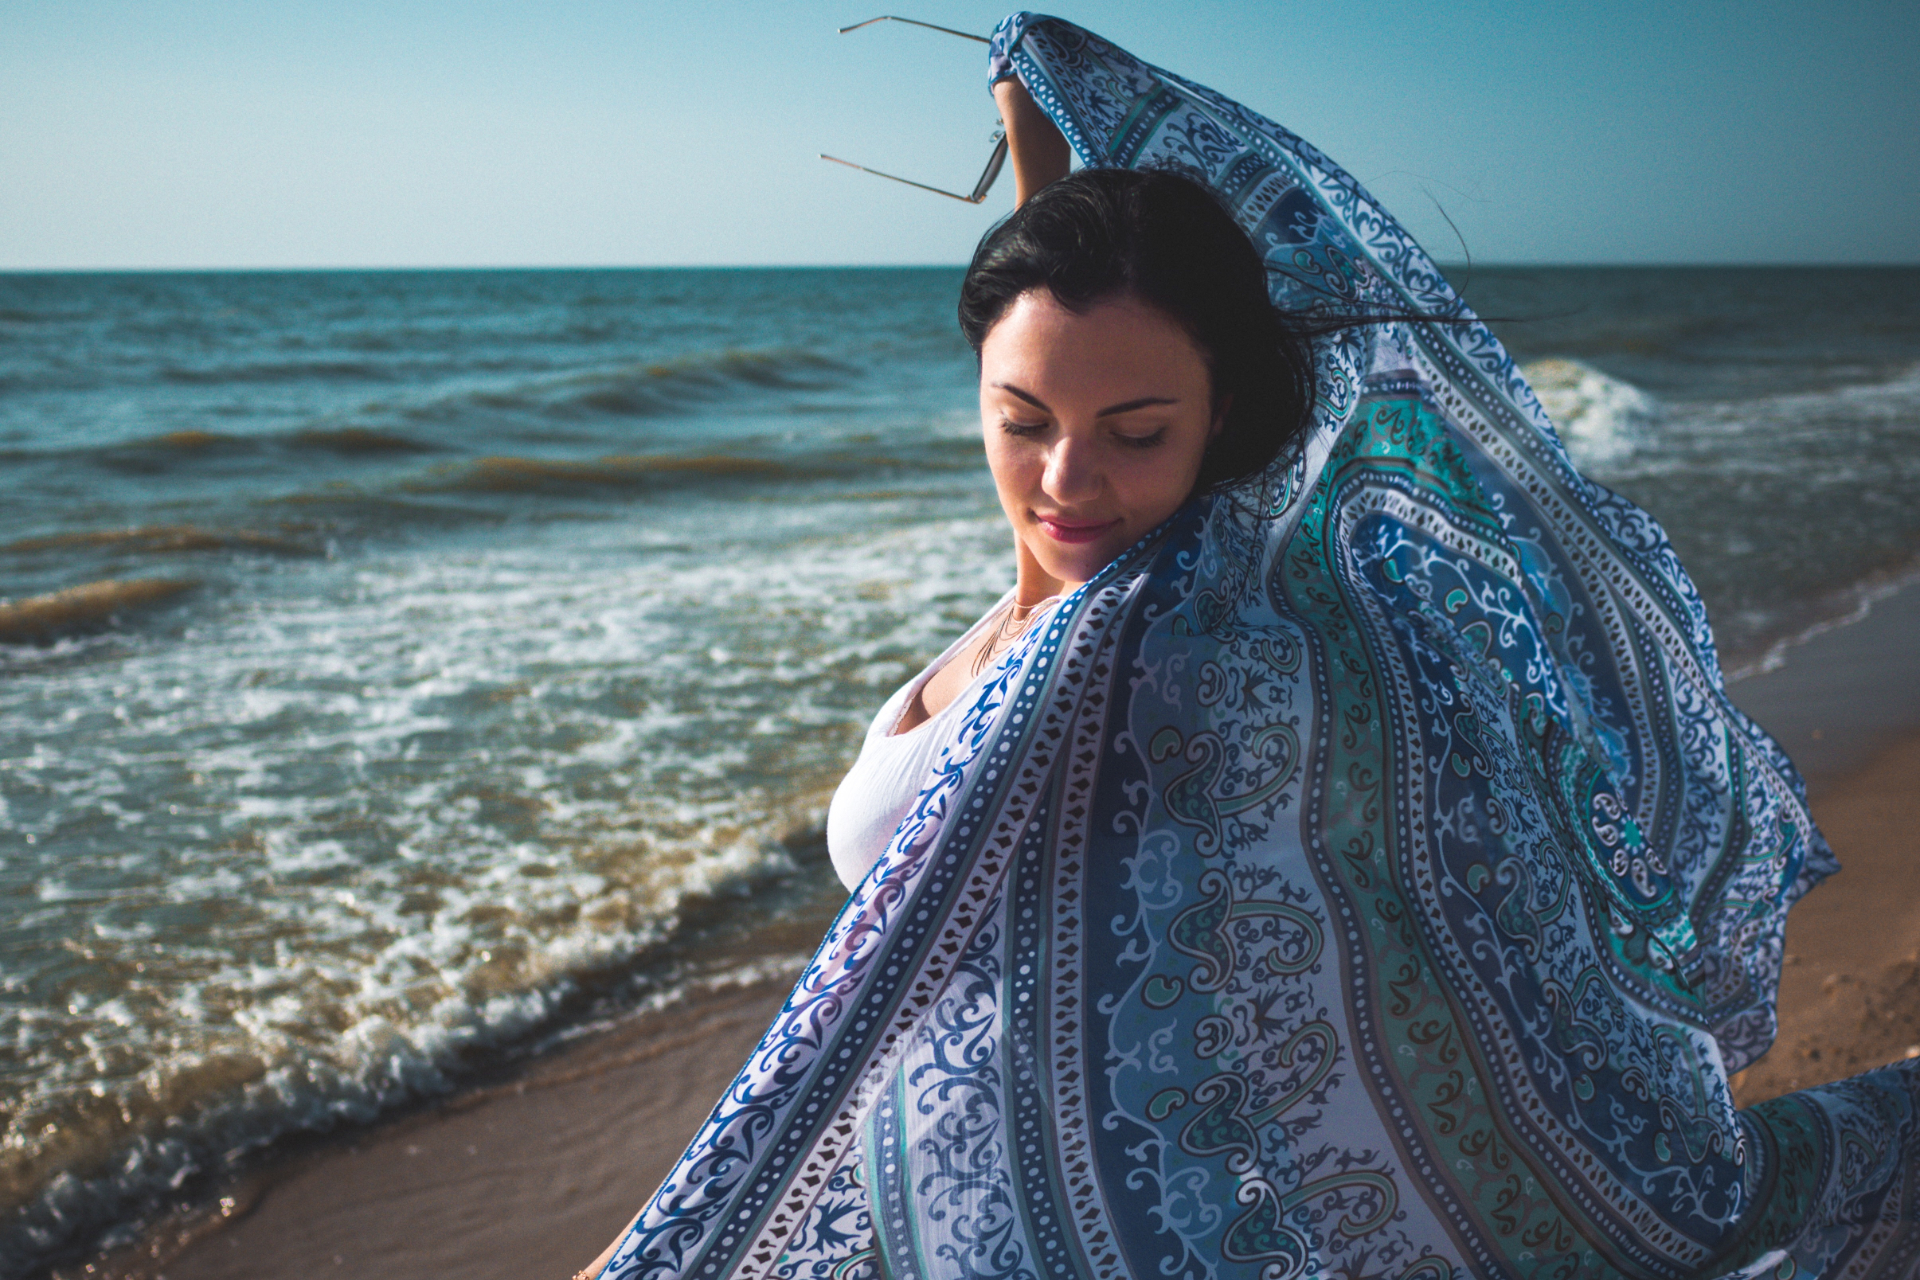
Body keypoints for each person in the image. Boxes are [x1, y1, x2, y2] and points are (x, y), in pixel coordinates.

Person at [580, 14, 1920, 1280]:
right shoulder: (1034, 598)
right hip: (962, 1190)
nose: (1066, 476)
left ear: (1220, 420)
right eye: (1019, 417)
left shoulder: (1185, 629)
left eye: (1140, 431)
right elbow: (1072, 318)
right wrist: (1034, 103)